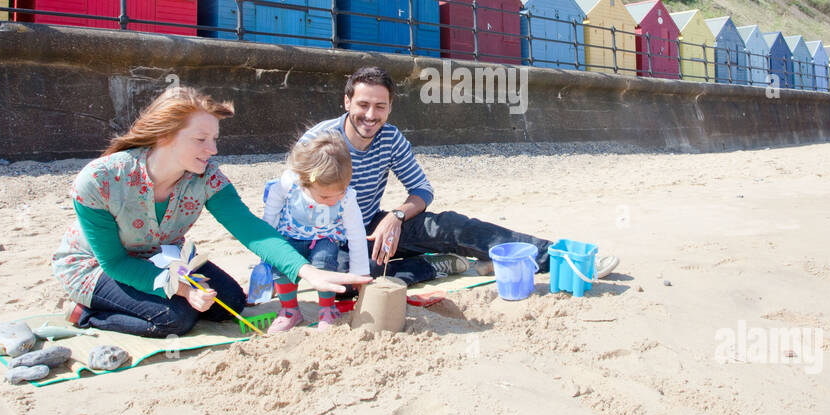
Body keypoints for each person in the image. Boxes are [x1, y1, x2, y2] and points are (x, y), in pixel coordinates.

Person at [52, 86, 370, 337]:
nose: (213, 150)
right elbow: (115, 262)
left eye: (214, 139)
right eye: (201, 139)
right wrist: (182, 288)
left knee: (230, 301)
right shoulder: (99, 180)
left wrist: (307, 271)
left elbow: (251, 229)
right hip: (97, 266)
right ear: (165, 135)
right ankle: (87, 313)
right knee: (176, 318)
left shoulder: (206, 177)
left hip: (163, 256)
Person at [298, 66, 619, 286]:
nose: (370, 115)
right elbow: (289, 204)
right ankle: (431, 266)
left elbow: (422, 190)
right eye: (363, 104)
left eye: (379, 107)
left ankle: (559, 256)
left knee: (449, 224)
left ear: (390, 107)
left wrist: (395, 216)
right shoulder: (318, 141)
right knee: (347, 274)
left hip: (373, 227)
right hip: (325, 239)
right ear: (346, 102)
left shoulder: (390, 138)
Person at [261, 133, 369, 332]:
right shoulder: (290, 183)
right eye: (326, 196)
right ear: (306, 182)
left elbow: (356, 233)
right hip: (290, 235)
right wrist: (268, 237)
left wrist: (359, 273)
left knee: (325, 264)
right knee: (282, 269)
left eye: (341, 192)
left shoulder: (347, 198)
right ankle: (290, 310)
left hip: (325, 238)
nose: (333, 201)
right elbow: (273, 205)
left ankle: (327, 310)